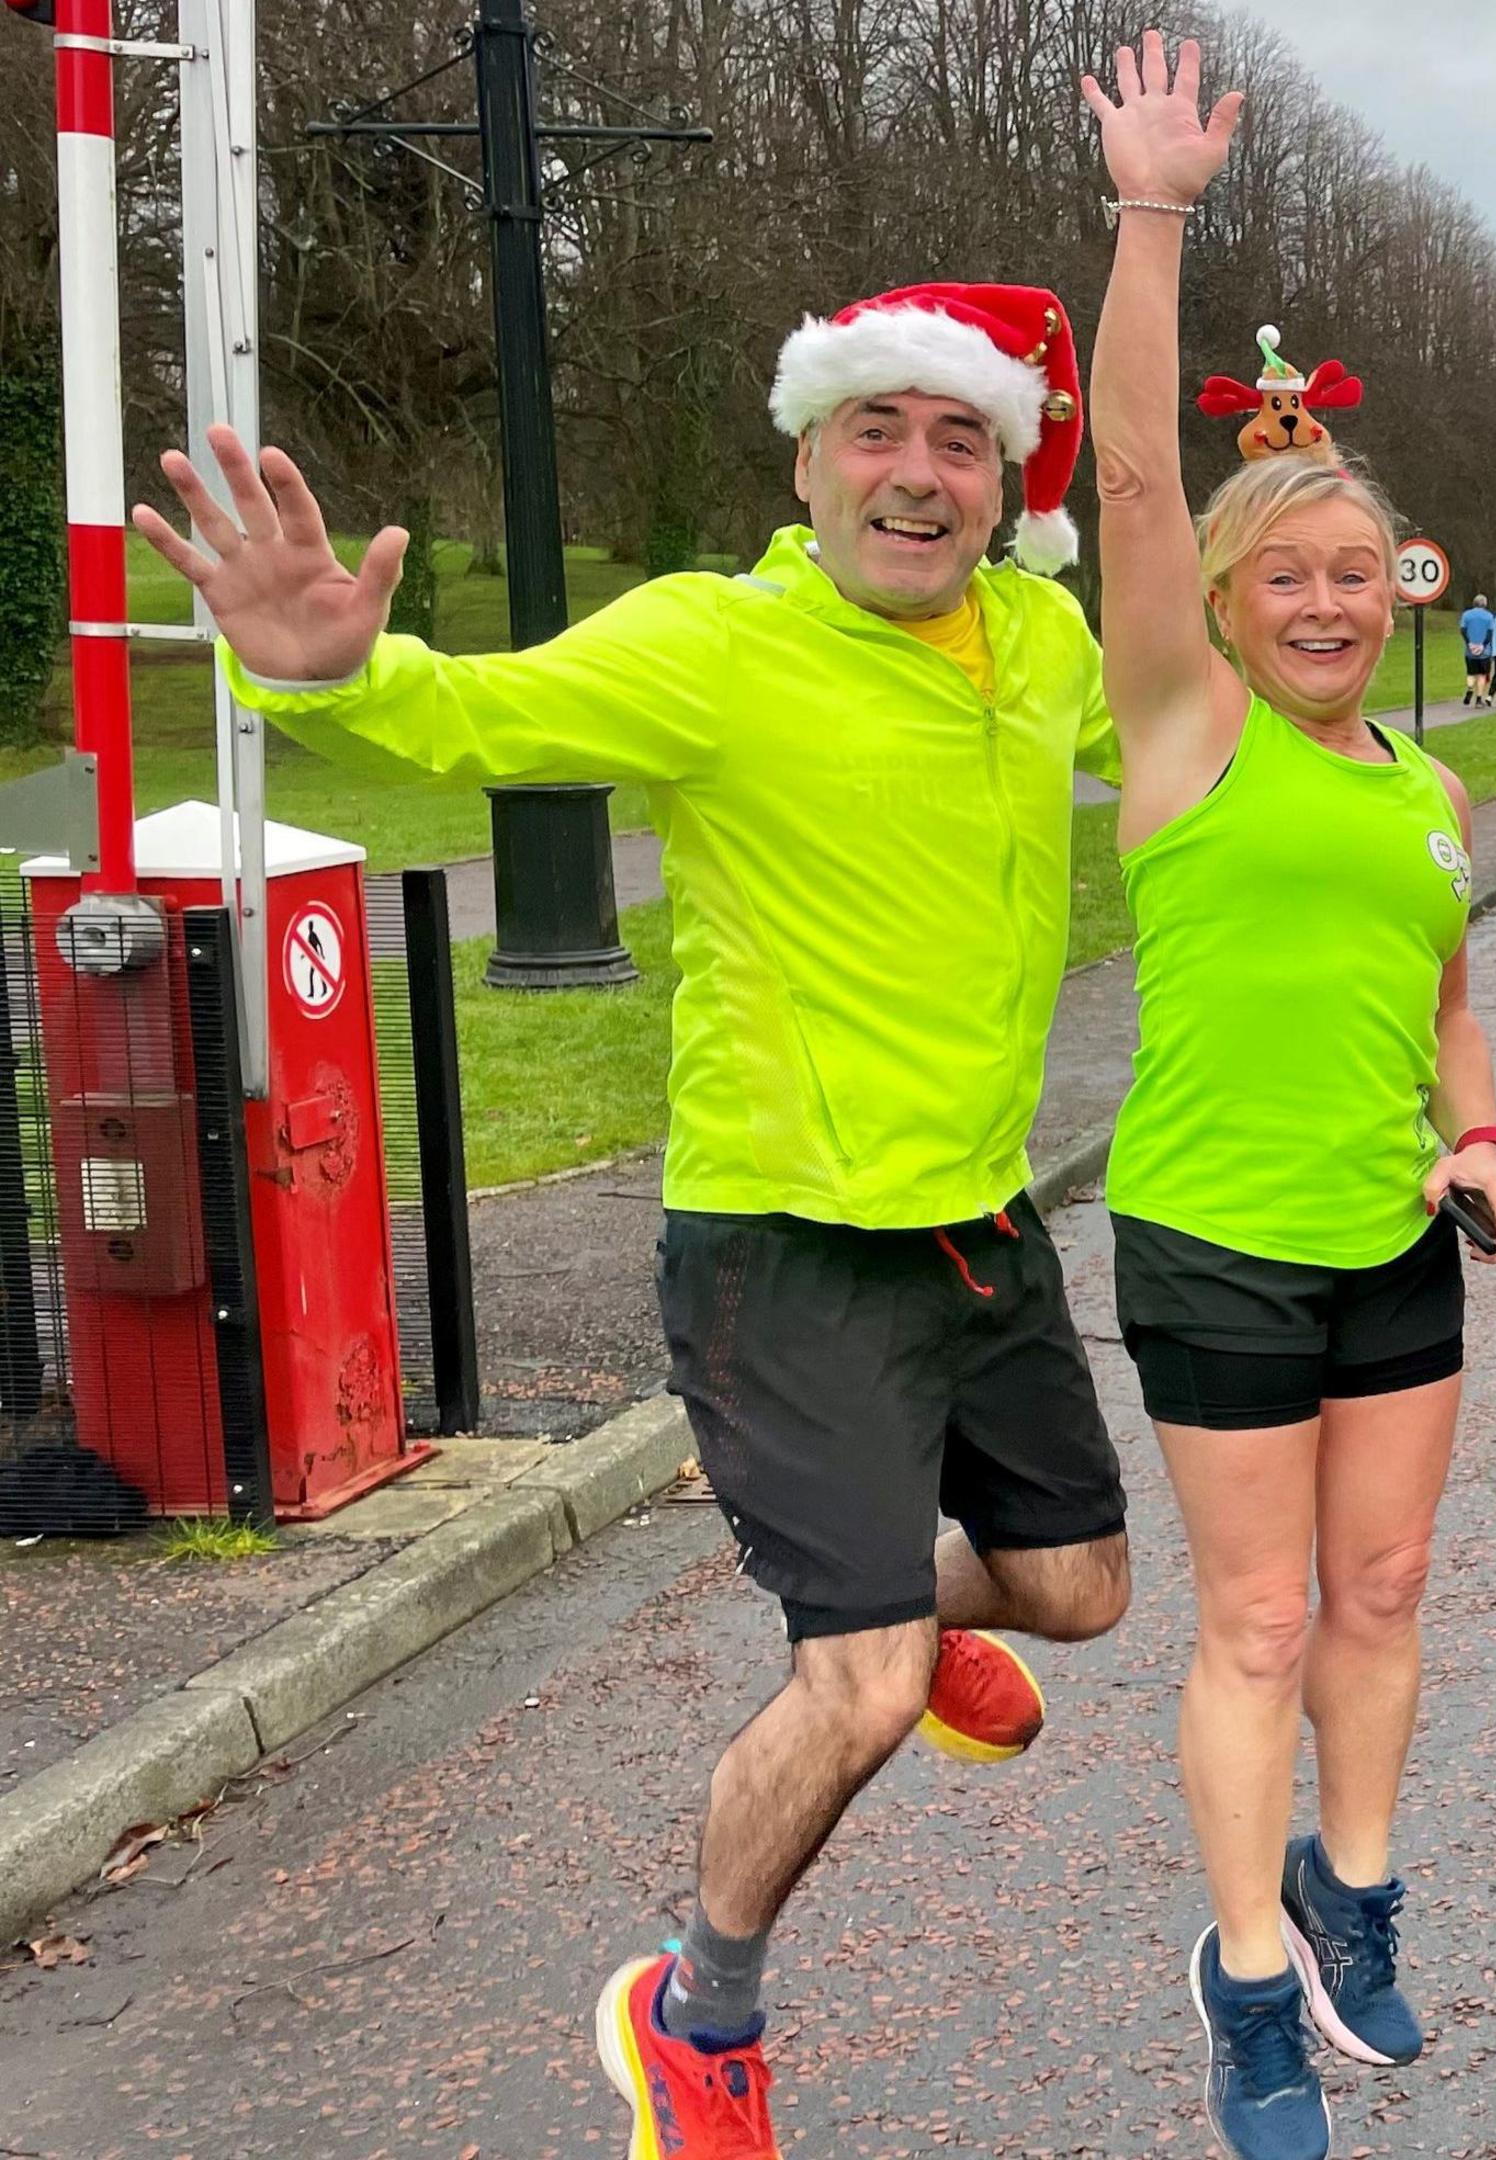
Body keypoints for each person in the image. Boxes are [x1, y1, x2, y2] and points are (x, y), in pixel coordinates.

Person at [141, 275, 1132, 2153]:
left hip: (979, 1226)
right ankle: (696, 2013)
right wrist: (326, 664)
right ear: (808, 457)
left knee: (1086, 1592)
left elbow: (1163, 719)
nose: (916, 478)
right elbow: (480, 719)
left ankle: (915, 1630)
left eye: (959, 442)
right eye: (878, 432)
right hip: (781, 1241)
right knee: (844, 1697)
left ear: (1009, 485)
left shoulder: (1041, 643)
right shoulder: (716, 643)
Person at [1084, 40, 1496, 2160]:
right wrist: (1152, 216)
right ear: (1235, 611)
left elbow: (1443, 1002)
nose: (1332, 604)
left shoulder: (1431, 788)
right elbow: (1134, 499)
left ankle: (1361, 1893)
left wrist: (1480, 1134)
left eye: (1359, 576)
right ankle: (1247, 1971)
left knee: (1387, 1593)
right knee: (1256, 1615)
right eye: (1292, 582)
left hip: (1389, 1235)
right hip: (1212, 1238)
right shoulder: (1185, 733)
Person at [1458, 592, 1496, 705]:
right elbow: (1490, 633)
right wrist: (1483, 645)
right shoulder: (1489, 616)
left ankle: (1470, 688)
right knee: (1482, 675)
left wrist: (1469, 643)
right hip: (1484, 651)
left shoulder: (1466, 615)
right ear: (1485, 604)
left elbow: (1463, 630)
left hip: (1470, 650)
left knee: (1471, 673)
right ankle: (1479, 698)